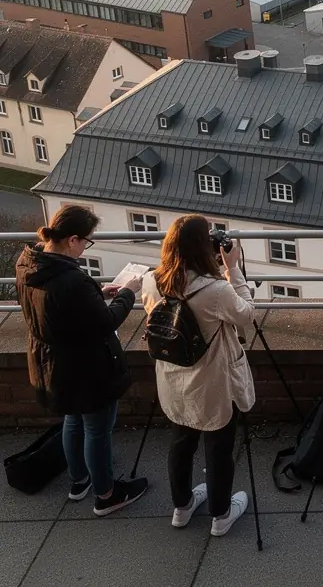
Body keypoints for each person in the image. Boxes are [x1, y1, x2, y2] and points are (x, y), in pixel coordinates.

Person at [15, 204, 148, 514]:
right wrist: (128, 292)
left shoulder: (29, 264)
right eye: (87, 241)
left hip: (53, 364)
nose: (86, 247)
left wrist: (96, 292)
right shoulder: (71, 280)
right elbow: (105, 323)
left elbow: (59, 306)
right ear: (72, 239)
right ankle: (107, 494)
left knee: (73, 421)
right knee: (97, 431)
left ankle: (79, 482)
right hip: (87, 369)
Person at [141, 215, 256, 537]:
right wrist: (233, 268)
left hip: (173, 377)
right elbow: (247, 314)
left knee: (181, 443)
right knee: (218, 448)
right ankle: (221, 515)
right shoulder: (215, 289)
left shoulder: (153, 281)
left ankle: (182, 506)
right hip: (212, 380)